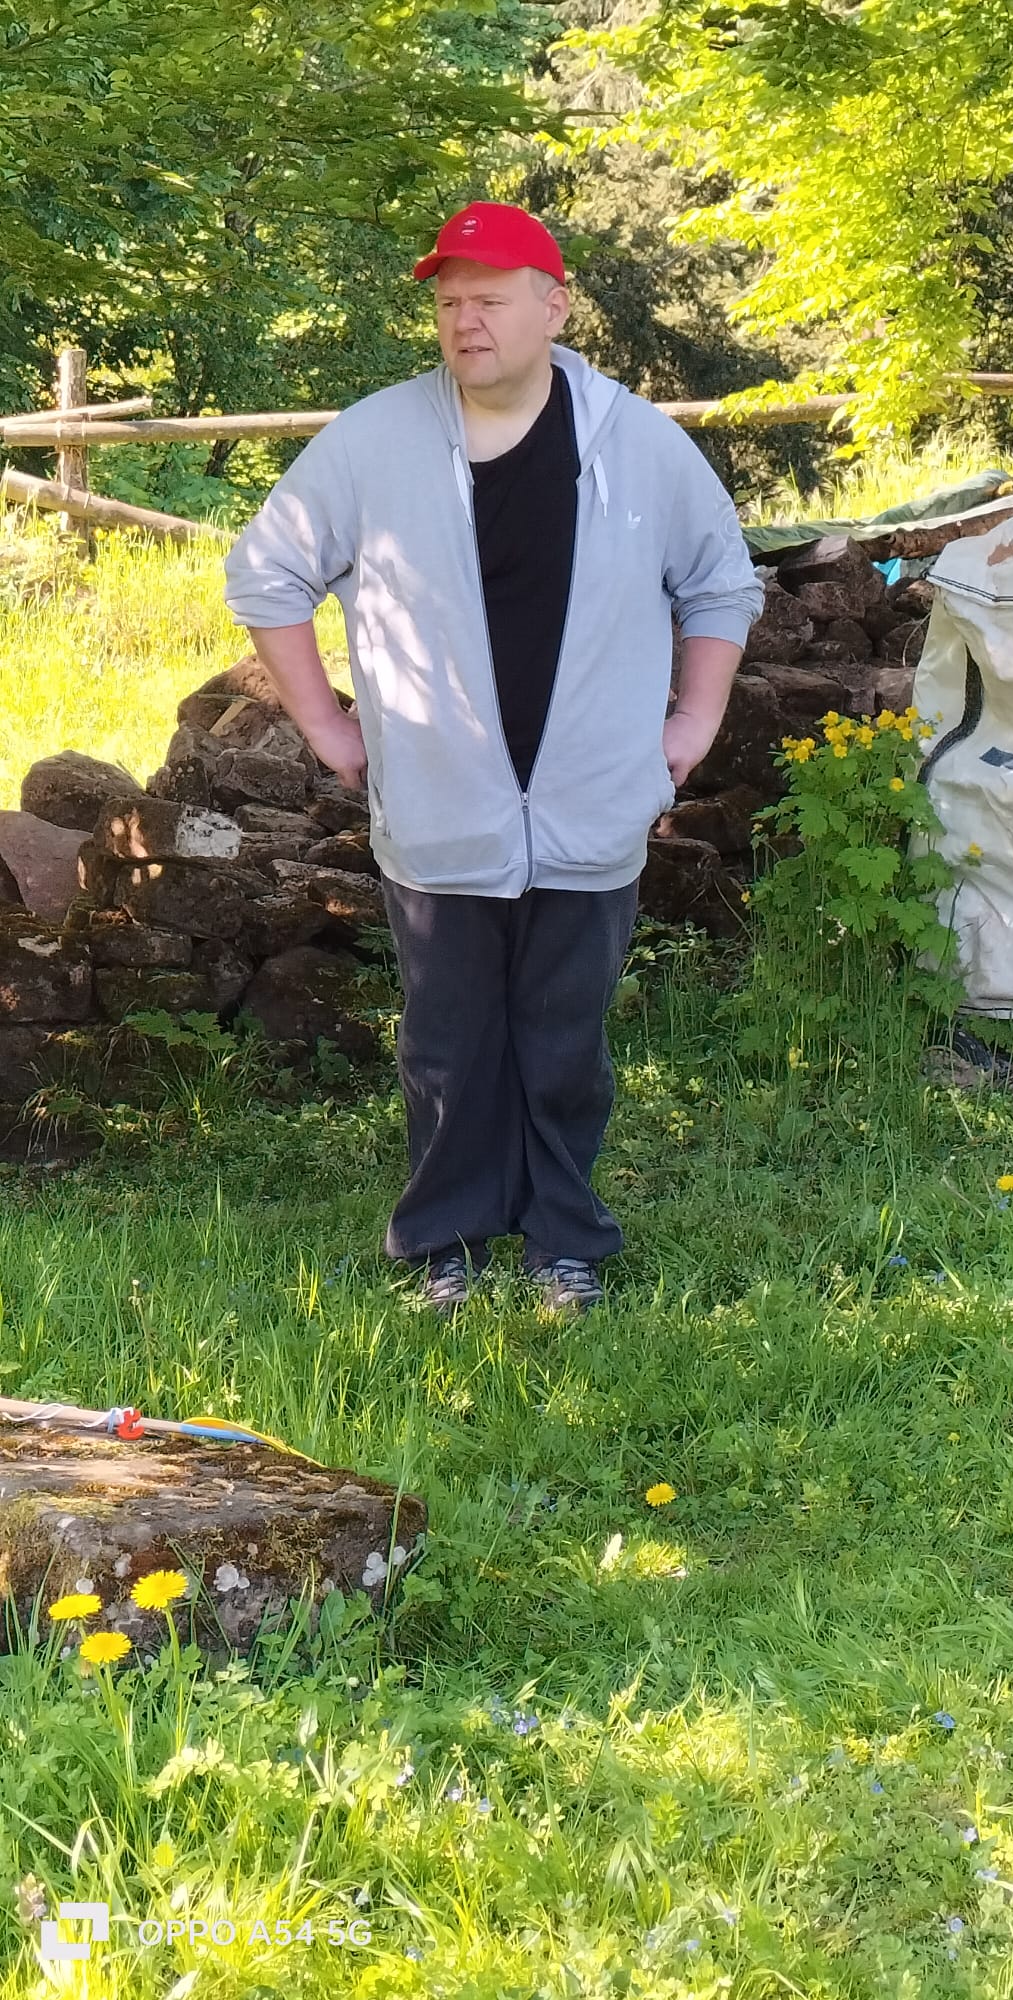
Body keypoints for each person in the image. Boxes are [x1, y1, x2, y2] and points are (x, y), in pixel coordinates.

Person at [224, 199, 764, 1316]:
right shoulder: (374, 441)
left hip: (592, 804)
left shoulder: (637, 445)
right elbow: (265, 574)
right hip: (440, 807)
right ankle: (449, 1243)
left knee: (565, 1042)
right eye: (449, 303)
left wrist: (693, 725)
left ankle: (564, 1241)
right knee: (449, 1043)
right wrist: (328, 727)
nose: (464, 321)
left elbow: (719, 581)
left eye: (489, 299)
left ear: (553, 307)